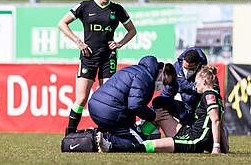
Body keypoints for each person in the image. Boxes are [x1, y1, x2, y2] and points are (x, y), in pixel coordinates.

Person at [57, 0, 137, 135]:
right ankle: (70, 133)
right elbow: (62, 24)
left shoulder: (117, 9)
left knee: (109, 99)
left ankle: (106, 133)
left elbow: (132, 30)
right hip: (88, 57)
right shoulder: (85, 6)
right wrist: (78, 42)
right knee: (81, 99)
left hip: (108, 58)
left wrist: (119, 43)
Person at [96, 65, 229, 154]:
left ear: (205, 81)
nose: (195, 85)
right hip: (191, 134)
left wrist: (216, 147)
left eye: (197, 82)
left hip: (195, 140)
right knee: (159, 113)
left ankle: (112, 147)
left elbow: (216, 122)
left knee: (149, 145)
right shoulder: (215, 96)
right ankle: (138, 134)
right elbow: (220, 125)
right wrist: (225, 149)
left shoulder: (209, 95)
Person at [88, 56, 177, 145]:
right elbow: (135, 105)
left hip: (96, 107)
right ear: (161, 71)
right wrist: (153, 116)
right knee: (138, 143)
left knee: (127, 134)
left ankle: (91, 136)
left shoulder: (136, 70)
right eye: (164, 81)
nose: (162, 85)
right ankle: (105, 140)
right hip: (110, 112)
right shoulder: (145, 77)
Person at [138, 47, 219, 138]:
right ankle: (145, 131)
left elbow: (216, 102)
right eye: (185, 67)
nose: (187, 71)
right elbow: (167, 92)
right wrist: (151, 116)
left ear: (198, 65)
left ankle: (217, 133)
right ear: (183, 60)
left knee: (202, 139)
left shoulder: (207, 75)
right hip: (184, 109)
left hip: (198, 114)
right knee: (159, 102)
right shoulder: (176, 68)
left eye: (190, 69)